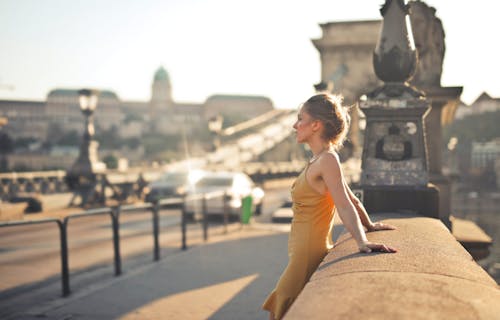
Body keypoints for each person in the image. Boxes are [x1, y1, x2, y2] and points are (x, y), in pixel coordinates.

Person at [262, 93, 397, 320]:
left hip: (308, 249)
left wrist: (362, 240)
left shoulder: (327, 160)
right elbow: (351, 198)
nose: (295, 125)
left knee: (285, 303)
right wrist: (369, 224)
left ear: (315, 125)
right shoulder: (321, 159)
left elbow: (344, 204)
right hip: (302, 248)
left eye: (299, 119)